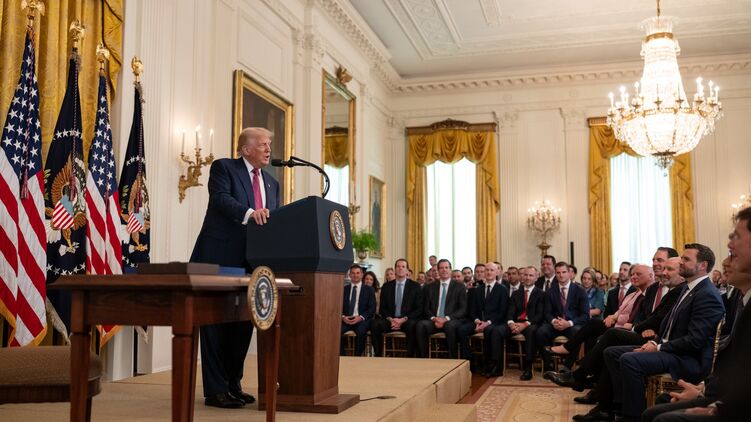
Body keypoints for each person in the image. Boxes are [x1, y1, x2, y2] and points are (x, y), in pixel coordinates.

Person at [191, 127, 280, 409]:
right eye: (263, 144)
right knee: (214, 323)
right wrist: (251, 214)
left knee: (242, 323)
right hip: (217, 257)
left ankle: (233, 384)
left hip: (252, 261)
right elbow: (220, 200)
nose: (268, 149)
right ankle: (216, 390)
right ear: (246, 149)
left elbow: (272, 221)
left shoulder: (272, 183)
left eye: (269, 144)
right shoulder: (224, 168)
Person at [599, 244, 725, 421]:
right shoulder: (688, 288)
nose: (681, 262)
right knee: (612, 353)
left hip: (688, 359)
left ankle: (632, 416)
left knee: (630, 360)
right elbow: (669, 326)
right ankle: (618, 407)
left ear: (702, 265)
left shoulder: (706, 294)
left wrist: (659, 347)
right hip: (672, 351)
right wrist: (655, 342)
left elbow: (695, 341)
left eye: (686, 259)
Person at [536, 261, 590, 371]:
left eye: (564, 272)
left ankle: (567, 367)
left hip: (572, 325)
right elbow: (547, 313)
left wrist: (568, 323)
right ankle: (549, 365)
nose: (561, 275)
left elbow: (585, 315)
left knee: (577, 332)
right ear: (555, 274)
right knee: (541, 332)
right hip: (555, 325)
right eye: (558, 272)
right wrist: (554, 321)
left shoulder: (580, 290)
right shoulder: (550, 291)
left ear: (569, 273)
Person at [458, 262, 509, 375]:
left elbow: (503, 312)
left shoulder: (502, 289)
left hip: (495, 322)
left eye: (492, 270)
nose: (489, 272)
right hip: (478, 321)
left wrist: (487, 323)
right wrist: (477, 321)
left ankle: (491, 365)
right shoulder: (478, 290)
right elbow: (472, 310)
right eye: (487, 270)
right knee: (462, 330)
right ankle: (470, 362)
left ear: (497, 272)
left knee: (490, 330)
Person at [371, 259, 423, 357]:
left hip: (407, 320)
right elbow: (382, 308)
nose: (400, 268)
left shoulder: (415, 286)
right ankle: (378, 356)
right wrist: (391, 319)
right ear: (395, 269)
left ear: (407, 270)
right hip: (391, 320)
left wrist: (403, 319)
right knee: (375, 324)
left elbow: (419, 309)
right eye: (398, 266)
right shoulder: (386, 286)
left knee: (413, 326)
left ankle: (410, 357)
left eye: (403, 266)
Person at [416, 259, 467, 358]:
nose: (444, 270)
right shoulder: (429, 287)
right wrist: (434, 318)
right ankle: (423, 358)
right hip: (435, 320)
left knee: (449, 326)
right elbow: (426, 308)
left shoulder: (459, 287)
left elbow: (462, 309)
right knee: (421, 325)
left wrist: (446, 319)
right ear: (438, 271)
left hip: (452, 319)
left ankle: (452, 359)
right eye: (441, 268)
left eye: (446, 267)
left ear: (450, 270)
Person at [502, 266, 545, 380]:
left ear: (536, 278)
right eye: (525, 275)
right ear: (522, 276)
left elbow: (540, 315)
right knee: (497, 331)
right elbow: (510, 312)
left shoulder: (541, 294)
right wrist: (511, 323)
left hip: (531, 323)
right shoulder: (516, 293)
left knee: (531, 332)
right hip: (516, 323)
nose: (527, 278)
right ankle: (496, 365)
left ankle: (528, 367)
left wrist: (525, 324)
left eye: (531, 275)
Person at [341, 265, 376, 356]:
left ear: (361, 275)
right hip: (346, 319)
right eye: (353, 273)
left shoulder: (369, 290)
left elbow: (372, 308)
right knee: (336, 331)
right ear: (349, 275)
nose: (355, 275)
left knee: (361, 332)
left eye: (357, 273)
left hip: (361, 320)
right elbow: (338, 306)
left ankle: (357, 357)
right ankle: (343, 357)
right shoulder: (344, 289)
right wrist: (343, 317)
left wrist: (360, 317)